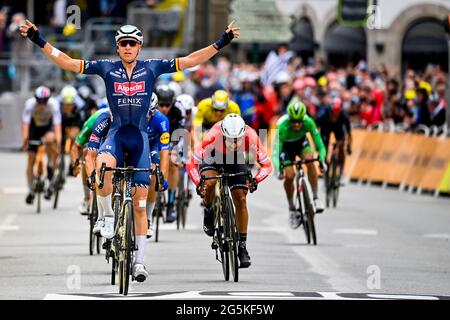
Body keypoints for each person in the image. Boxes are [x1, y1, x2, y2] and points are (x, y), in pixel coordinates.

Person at [20, 18, 240, 282]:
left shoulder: (152, 68)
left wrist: (221, 42)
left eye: (132, 43)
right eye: (123, 43)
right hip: (116, 134)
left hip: (140, 141)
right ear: (117, 47)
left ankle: (139, 263)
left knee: (139, 206)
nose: (127, 47)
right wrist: (39, 40)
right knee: (103, 166)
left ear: (139, 46)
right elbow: (68, 62)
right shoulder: (106, 68)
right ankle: (108, 217)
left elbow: (191, 60)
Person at [187, 114, 272, 268]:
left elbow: (267, 166)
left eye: (238, 139)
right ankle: (208, 208)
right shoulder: (213, 135)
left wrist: (256, 180)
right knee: (210, 183)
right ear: (223, 134)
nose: (234, 143)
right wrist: (199, 183)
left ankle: (242, 247)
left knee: (241, 199)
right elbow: (191, 163)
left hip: (236, 160)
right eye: (230, 139)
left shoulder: (251, 136)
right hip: (213, 158)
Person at [272, 101, 327, 229]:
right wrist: (278, 168)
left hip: (301, 143)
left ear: (303, 119)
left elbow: (320, 145)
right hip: (285, 148)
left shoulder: (309, 122)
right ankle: (292, 208)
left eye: (299, 122)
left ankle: (315, 197)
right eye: (293, 121)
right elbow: (275, 152)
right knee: (290, 175)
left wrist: (322, 160)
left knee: (310, 160)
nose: (296, 124)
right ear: (289, 119)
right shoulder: (282, 126)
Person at [22, 86, 62, 204]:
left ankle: (50, 168)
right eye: (40, 101)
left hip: (47, 128)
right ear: (36, 99)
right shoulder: (29, 104)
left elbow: (57, 126)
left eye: (45, 101)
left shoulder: (53, 105)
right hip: (34, 128)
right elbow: (25, 124)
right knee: (30, 159)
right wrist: (25, 141)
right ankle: (30, 191)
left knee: (51, 140)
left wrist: (58, 143)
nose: (42, 104)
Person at [155, 84, 184, 222]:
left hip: (173, 137)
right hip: (155, 138)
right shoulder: (151, 108)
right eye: (161, 105)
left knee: (173, 163)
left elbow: (181, 133)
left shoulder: (178, 111)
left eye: (167, 105)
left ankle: (171, 202)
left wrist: (173, 150)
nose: (165, 108)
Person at [145, 93, 170, 237]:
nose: (146, 116)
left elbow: (164, 152)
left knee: (154, 176)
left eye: (150, 113)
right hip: (137, 144)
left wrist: (163, 178)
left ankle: (148, 218)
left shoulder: (161, 120)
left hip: (153, 145)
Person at [315, 97, 352, 184]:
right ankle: (325, 168)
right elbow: (315, 129)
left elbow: (349, 133)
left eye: (337, 113)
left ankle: (342, 171)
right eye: (333, 113)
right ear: (330, 110)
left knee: (341, 144)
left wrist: (349, 146)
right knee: (323, 147)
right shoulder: (323, 113)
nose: (335, 115)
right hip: (325, 127)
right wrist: (317, 144)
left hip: (337, 128)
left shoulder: (344, 115)